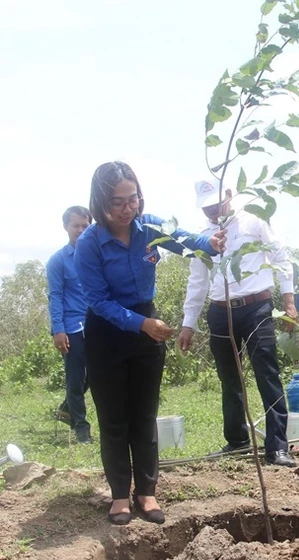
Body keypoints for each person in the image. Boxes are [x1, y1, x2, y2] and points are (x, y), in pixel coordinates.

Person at [75, 162, 226, 525]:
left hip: (147, 327)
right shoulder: (89, 244)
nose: (129, 208)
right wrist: (141, 324)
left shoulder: (152, 227)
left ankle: (147, 492)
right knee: (114, 418)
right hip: (107, 334)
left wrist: (212, 242)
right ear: (100, 203)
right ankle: (118, 496)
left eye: (134, 199)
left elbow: (188, 239)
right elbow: (98, 301)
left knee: (143, 415)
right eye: (118, 202)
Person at [178, 180, 298, 467]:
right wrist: (188, 324)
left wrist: (289, 302)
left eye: (216, 202)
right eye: (206, 206)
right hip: (220, 313)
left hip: (256, 307)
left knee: (266, 374)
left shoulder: (254, 221)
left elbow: (280, 256)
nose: (212, 210)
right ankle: (237, 440)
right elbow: (197, 281)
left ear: (230, 195)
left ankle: (277, 447)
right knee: (229, 379)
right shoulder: (203, 238)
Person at [46, 206, 93, 444]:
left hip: (97, 324)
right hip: (72, 327)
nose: (81, 230)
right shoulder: (58, 261)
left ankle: (66, 408)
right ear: (66, 227)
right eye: (76, 225)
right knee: (75, 379)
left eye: (85, 226)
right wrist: (58, 329)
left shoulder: (96, 254)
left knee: (98, 374)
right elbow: (55, 295)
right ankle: (82, 430)